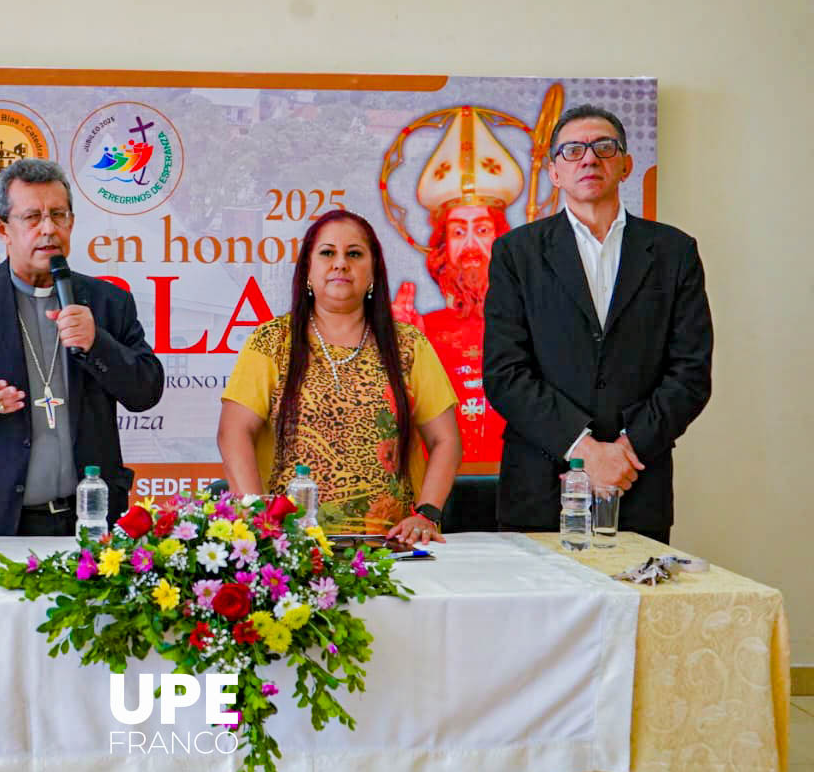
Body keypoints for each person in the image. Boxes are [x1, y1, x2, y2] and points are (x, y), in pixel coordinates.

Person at [484, 105, 713, 543]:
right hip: (538, 489)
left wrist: (624, 452)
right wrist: (584, 451)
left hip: (636, 484)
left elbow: (690, 373)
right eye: (572, 150)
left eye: (603, 147)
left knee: (636, 611)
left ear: (625, 165)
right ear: (554, 172)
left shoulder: (673, 251)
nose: (589, 159)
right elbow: (505, 373)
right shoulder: (517, 253)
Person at [0, 159, 163, 536]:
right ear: (2, 229)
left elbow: (146, 392)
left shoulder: (107, 303)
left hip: (86, 523)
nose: (48, 229)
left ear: (71, 222)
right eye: (32, 217)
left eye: (58, 215)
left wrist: (97, 343)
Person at [219, 209, 462, 545]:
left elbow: (445, 440)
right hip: (291, 546)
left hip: (392, 545)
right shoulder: (272, 341)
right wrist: (259, 520)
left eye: (354, 254)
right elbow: (233, 433)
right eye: (327, 253)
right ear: (307, 270)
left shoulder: (407, 345)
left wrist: (426, 515)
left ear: (373, 271)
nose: (340, 263)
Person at [391, 106, 523, 463]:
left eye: (482, 230)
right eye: (457, 231)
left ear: (502, 240)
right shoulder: (424, 329)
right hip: (435, 493)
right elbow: (390, 428)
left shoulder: (534, 326)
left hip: (519, 492)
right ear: (442, 247)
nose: (470, 246)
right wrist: (402, 350)